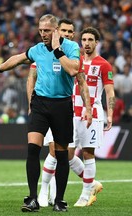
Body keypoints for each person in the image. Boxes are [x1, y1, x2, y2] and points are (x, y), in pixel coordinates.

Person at [0, 14, 91, 212]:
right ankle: (32, 198)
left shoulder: (72, 48)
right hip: (40, 103)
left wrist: (58, 50)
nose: (43, 34)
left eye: (47, 30)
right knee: (33, 148)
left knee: (61, 154)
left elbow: (73, 70)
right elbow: (18, 59)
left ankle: (59, 200)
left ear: (56, 30)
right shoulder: (38, 49)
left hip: (62, 104)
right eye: (41, 30)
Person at [34, 19, 91, 207]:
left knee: (65, 154)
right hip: (46, 106)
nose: (66, 34)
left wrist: (88, 108)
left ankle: (58, 193)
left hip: (67, 108)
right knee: (53, 150)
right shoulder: (42, 50)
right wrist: (30, 104)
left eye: (69, 31)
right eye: (63, 30)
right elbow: (31, 77)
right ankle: (44, 193)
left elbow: (81, 81)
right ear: (58, 30)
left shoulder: (73, 51)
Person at [71, 27, 115, 207]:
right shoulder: (76, 62)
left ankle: (85, 195)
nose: (87, 43)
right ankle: (92, 184)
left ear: (97, 42)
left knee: (88, 153)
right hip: (73, 112)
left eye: (90, 40)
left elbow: (109, 91)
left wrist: (109, 114)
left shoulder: (104, 64)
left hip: (93, 114)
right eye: (84, 40)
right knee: (65, 154)